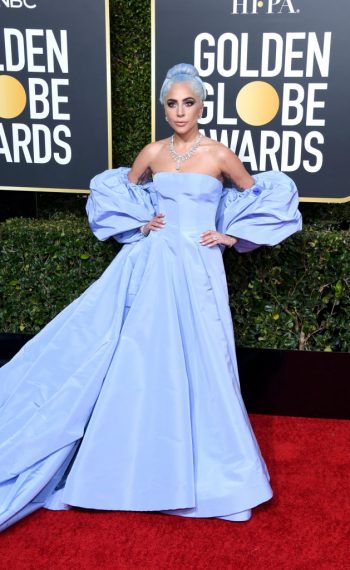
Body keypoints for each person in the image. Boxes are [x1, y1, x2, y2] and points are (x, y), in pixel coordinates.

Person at [0, 63, 302, 532]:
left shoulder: (221, 154)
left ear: (202, 106)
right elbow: (118, 189)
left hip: (200, 267)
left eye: (189, 102)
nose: (180, 111)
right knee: (143, 361)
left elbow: (261, 194)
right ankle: (127, 471)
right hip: (154, 264)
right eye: (172, 103)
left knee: (207, 359)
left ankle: (219, 478)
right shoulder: (153, 153)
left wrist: (229, 235)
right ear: (164, 109)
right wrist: (140, 224)